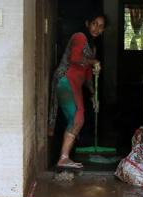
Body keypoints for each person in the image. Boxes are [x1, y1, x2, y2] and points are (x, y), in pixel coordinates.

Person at [49, 13, 106, 169]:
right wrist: (94, 61)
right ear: (88, 23)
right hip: (65, 80)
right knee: (77, 118)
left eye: (101, 26)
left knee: (77, 119)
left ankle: (64, 157)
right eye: (94, 23)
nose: (97, 28)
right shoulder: (80, 37)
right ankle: (63, 158)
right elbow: (74, 58)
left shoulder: (92, 47)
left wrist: (94, 94)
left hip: (76, 85)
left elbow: (87, 74)